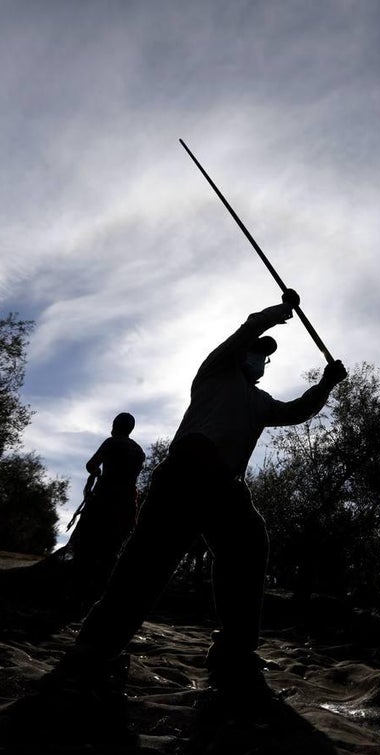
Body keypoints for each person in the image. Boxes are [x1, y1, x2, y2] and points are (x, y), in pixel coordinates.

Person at [52, 289, 346, 695]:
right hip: (183, 478)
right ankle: (96, 645)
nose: (258, 356)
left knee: (248, 546)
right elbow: (246, 330)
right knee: (147, 562)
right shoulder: (214, 372)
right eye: (256, 350)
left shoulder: (260, 402)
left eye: (264, 355)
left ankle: (234, 649)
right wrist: (281, 312)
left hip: (226, 489)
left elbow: (296, 412)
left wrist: (326, 384)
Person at [66, 412, 145, 602]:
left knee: (86, 544)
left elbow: (91, 464)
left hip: (104, 500)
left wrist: (96, 472)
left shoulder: (112, 442)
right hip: (126, 505)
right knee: (110, 549)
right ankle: (100, 593)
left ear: (115, 425)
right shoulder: (139, 451)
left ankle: (77, 590)